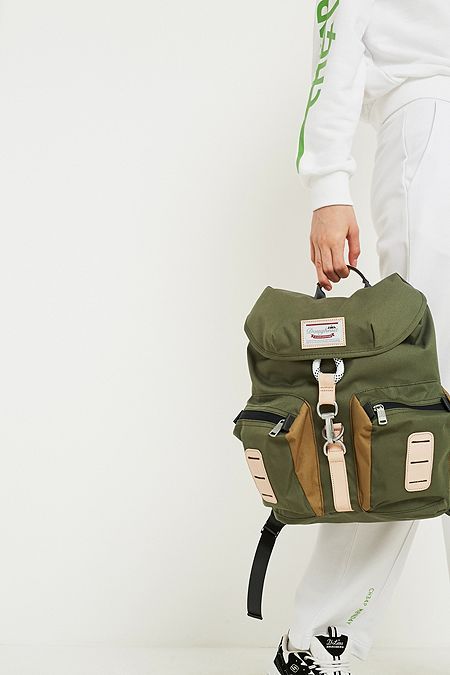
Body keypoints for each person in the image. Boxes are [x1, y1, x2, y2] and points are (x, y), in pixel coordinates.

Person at [268, 2, 450, 674]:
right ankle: (319, 642)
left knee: (416, 407)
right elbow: (340, 24)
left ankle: (319, 640)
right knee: (409, 406)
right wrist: (328, 184)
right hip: (432, 120)